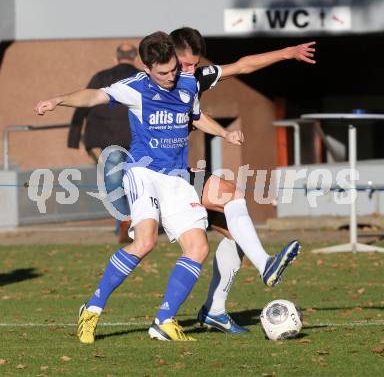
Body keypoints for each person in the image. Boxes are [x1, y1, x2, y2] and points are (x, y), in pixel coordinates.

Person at [35, 31, 211, 343]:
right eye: (163, 72)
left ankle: (164, 321)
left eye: (174, 68)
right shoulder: (134, 87)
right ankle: (92, 308)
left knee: (198, 248)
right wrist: (59, 100)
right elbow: (92, 97)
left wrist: (225, 132)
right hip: (143, 173)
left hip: (176, 178)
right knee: (144, 243)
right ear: (146, 69)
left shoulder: (188, 81)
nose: (171, 76)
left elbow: (198, 116)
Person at [169, 27, 316, 333]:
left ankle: (215, 310)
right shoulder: (155, 85)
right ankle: (264, 265)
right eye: (183, 64)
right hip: (160, 177)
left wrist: (286, 53)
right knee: (232, 196)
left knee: (236, 232)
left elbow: (242, 65)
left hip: (179, 173)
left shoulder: (195, 78)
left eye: (193, 65)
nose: (188, 71)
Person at [67, 43, 139, 243]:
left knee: (113, 184)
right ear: (135, 58)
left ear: (115, 59)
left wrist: (74, 138)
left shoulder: (101, 77)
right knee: (137, 184)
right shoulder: (142, 78)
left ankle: (125, 221)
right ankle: (129, 224)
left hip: (110, 140)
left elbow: (83, 102)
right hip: (139, 139)